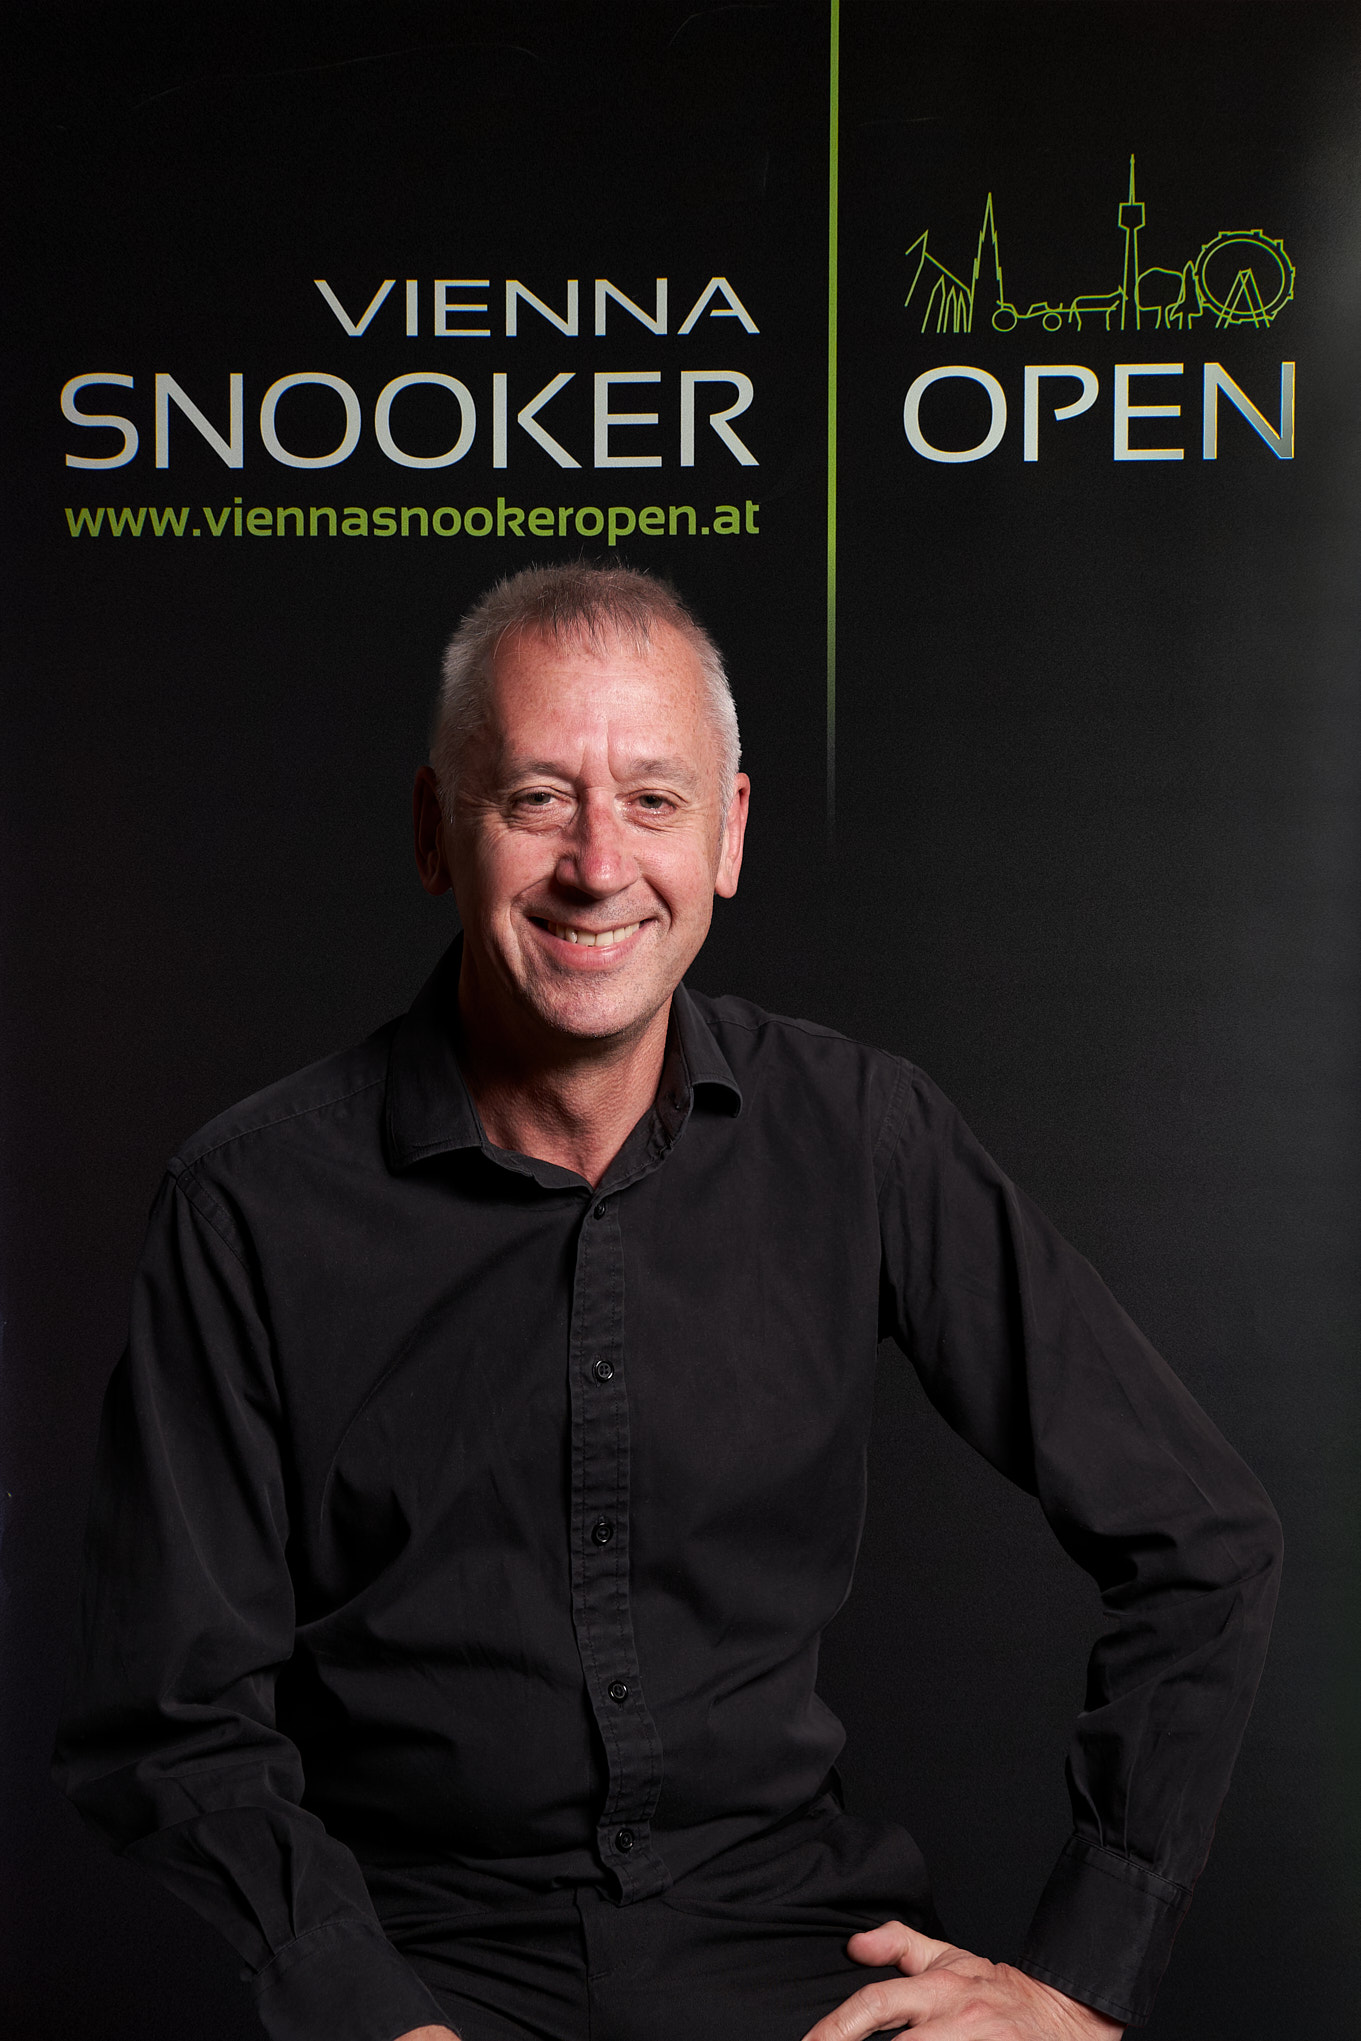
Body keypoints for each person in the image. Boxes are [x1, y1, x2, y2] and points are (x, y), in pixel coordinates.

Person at [55, 564, 1281, 2041]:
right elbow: (171, 1713)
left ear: (729, 834)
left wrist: (1079, 1981)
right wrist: (363, 2012)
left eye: (652, 800)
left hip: (793, 1945)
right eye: (535, 799)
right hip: (412, 1959)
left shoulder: (863, 1133)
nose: (597, 864)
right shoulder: (245, 1203)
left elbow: (1204, 1544)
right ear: (436, 831)